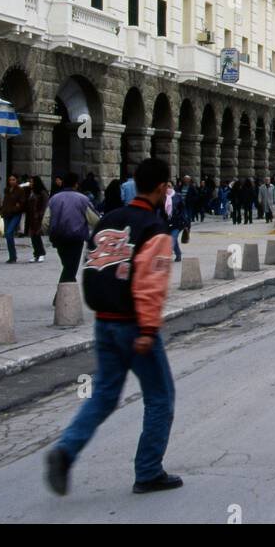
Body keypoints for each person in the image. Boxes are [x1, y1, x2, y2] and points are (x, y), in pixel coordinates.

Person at [47, 157, 180, 496]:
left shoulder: (109, 219)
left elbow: (91, 266)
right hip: (134, 325)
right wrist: (149, 330)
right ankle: (148, 471)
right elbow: (150, 285)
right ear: (162, 188)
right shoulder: (155, 229)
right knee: (160, 396)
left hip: (103, 322)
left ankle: (66, 450)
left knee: (104, 395)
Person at [44, 172, 100, 283]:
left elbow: (45, 221)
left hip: (58, 237)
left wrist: (48, 232)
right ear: (76, 184)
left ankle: (68, 294)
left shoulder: (54, 199)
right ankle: (62, 296)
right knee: (71, 268)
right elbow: (94, 219)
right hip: (76, 237)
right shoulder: (82, 199)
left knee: (67, 265)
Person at [0, 173, 29, 264]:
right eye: (10, 180)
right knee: (8, 235)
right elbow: (5, 201)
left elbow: (21, 202)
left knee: (9, 232)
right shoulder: (7, 190)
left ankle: (13, 256)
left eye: (13, 180)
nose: (11, 181)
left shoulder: (20, 190)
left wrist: (16, 208)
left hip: (16, 214)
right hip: (7, 214)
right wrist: (2, 210)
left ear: (17, 180)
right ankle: (12, 256)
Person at [25, 176, 50, 263]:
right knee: (33, 236)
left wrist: (40, 215)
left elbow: (45, 206)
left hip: (39, 218)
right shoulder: (32, 192)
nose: (31, 184)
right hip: (31, 217)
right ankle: (36, 254)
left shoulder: (42, 193)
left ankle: (41, 253)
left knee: (37, 236)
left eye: (32, 182)